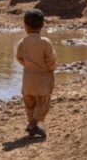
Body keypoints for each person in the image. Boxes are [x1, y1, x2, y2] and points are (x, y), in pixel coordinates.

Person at [16, 9, 57, 138]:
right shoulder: (45, 42)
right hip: (42, 78)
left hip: (27, 79)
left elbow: (19, 57)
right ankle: (33, 124)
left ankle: (32, 124)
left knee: (30, 103)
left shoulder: (22, 42)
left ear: (25, 25)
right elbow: (51, 59)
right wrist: (50, 69)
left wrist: (28, 66)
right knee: (43, 103)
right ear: (42, 25)